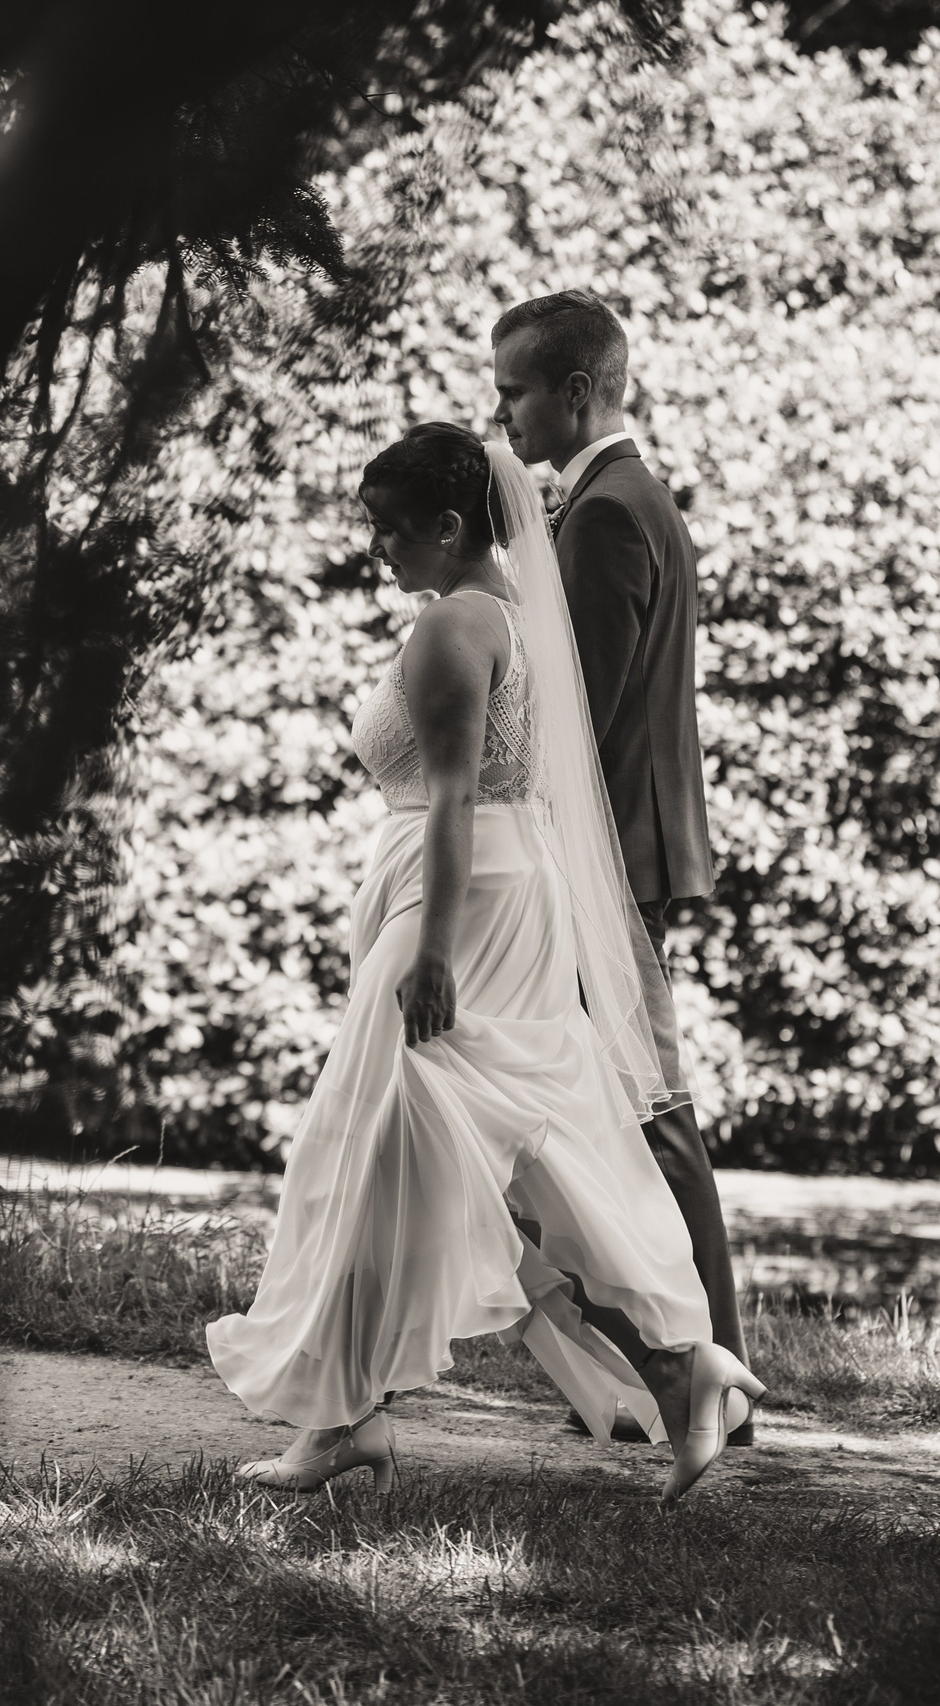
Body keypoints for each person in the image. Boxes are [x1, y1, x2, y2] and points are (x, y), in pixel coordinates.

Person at [205, 422, 762, 1503]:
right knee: (501, 1132)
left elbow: (455, 794)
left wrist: (428, 949)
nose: (376, 550)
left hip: (460, 898)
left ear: (447, 526)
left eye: (387, 530)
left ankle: (346, 1419)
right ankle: (678, 1366)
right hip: (509, 881)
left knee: (379, 1136)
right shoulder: (515, 613)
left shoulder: (455, 625)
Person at [491, 289, 753, 1446]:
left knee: (650, 1112)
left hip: (609, 855)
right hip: (625, 844)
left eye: (514, 390)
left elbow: (578, 721)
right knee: (602, 1106)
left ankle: (713, 1378)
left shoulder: (603, 514)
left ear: (578, 391)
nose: (501, 414)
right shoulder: (621, 497)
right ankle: (647, 1374)